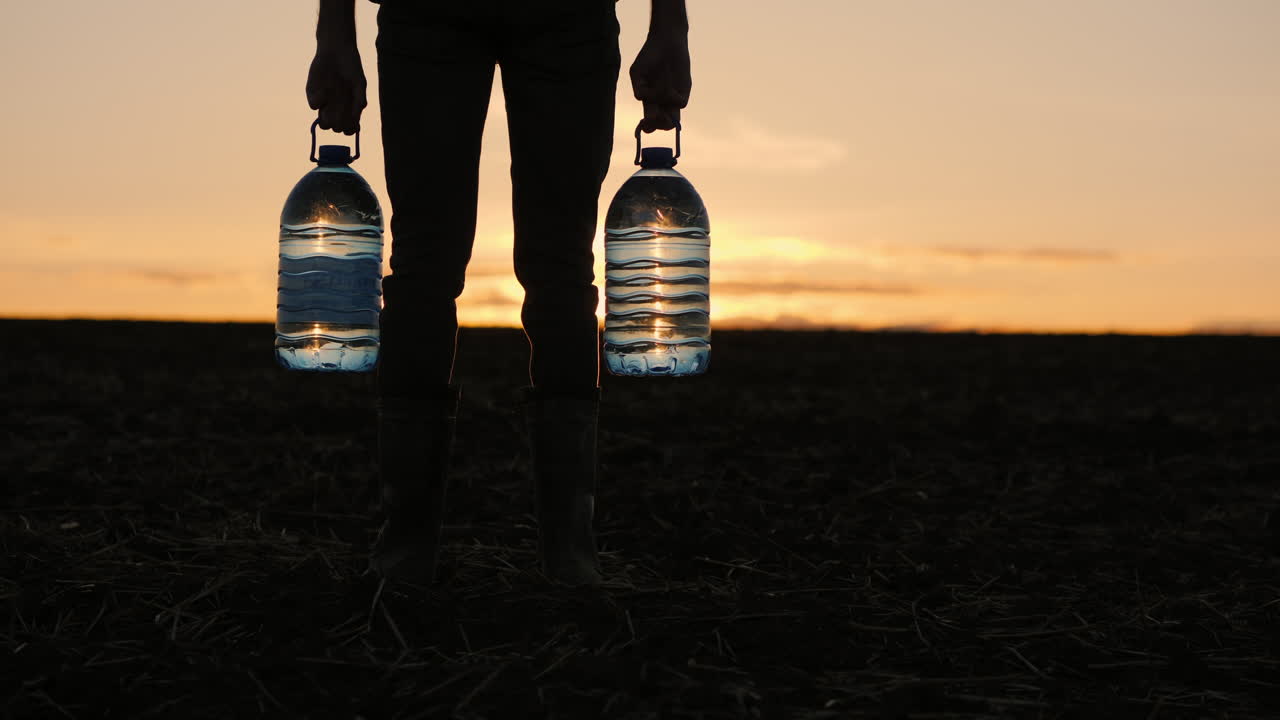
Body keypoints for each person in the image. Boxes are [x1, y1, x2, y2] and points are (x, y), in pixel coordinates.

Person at [305, 0, 691, 586]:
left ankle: (570, 551)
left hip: (571, 17)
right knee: (424, 266)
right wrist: (333, 31)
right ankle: (405, 547)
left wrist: (671, 24)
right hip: (426, 15)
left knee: (560, 269)